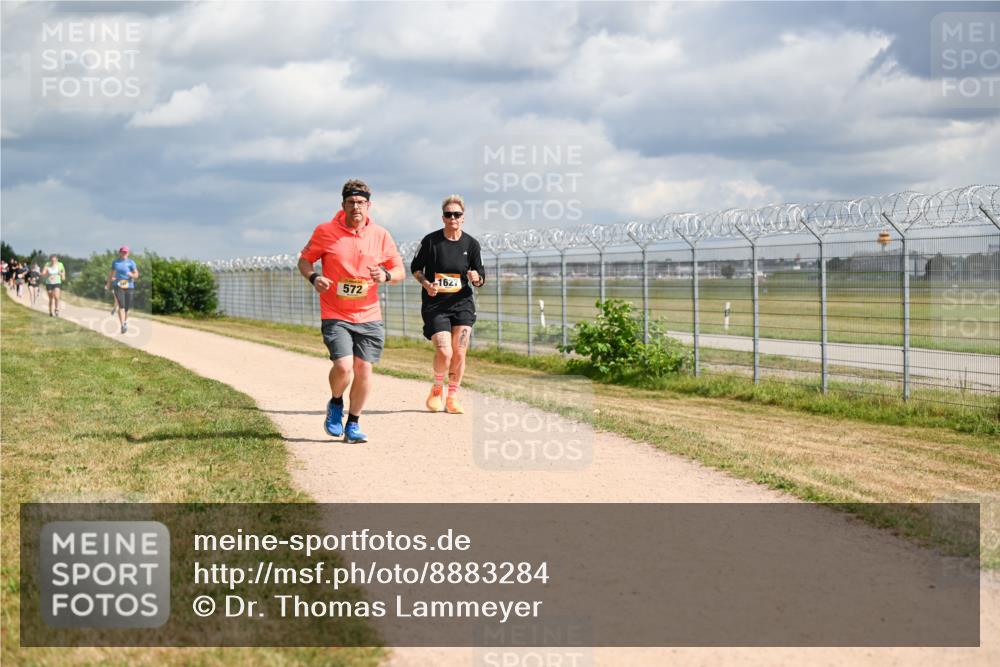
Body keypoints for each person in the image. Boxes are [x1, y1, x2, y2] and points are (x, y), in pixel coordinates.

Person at [297, 179, 404, 443]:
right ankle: (335, 404)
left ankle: (353, 423)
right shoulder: (325, 231)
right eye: (351, 202)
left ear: (369, 205)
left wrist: (386, 274)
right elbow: (304, 261)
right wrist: (314, 278)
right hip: (335, 312)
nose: (356, 207)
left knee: (364, 369)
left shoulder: (381, 235)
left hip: (369, 314)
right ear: (343, 205)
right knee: (344, 367)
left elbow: (400, 270)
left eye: (360, 202)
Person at [410, 194, 485, 414]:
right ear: (443, 218)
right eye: (448, 214)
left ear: (463, 218)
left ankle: (452, 396)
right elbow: (415, 269)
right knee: (444, 352)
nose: (453, 217)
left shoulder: (471, 244)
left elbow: (481, 275)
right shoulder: (431, 241)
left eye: (457, 214)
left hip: (462, 304)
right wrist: (426, 284)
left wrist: (476, 278)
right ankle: (436, 389)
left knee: (459, 352)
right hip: (436, 306)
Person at [105, 246, 139, 334]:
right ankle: (122, 326)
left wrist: (131, 275)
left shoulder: (131, 263)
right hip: (118, 285)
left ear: (128, 253)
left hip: (129, 285)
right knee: (121, 305)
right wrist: (108, 283)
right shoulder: (115, 262)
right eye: (123, 252)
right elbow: (111, 274)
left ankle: (125, 321)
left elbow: (136, 275)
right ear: (119, 253)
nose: (124, 254)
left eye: (126, 252)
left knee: (127, 307)